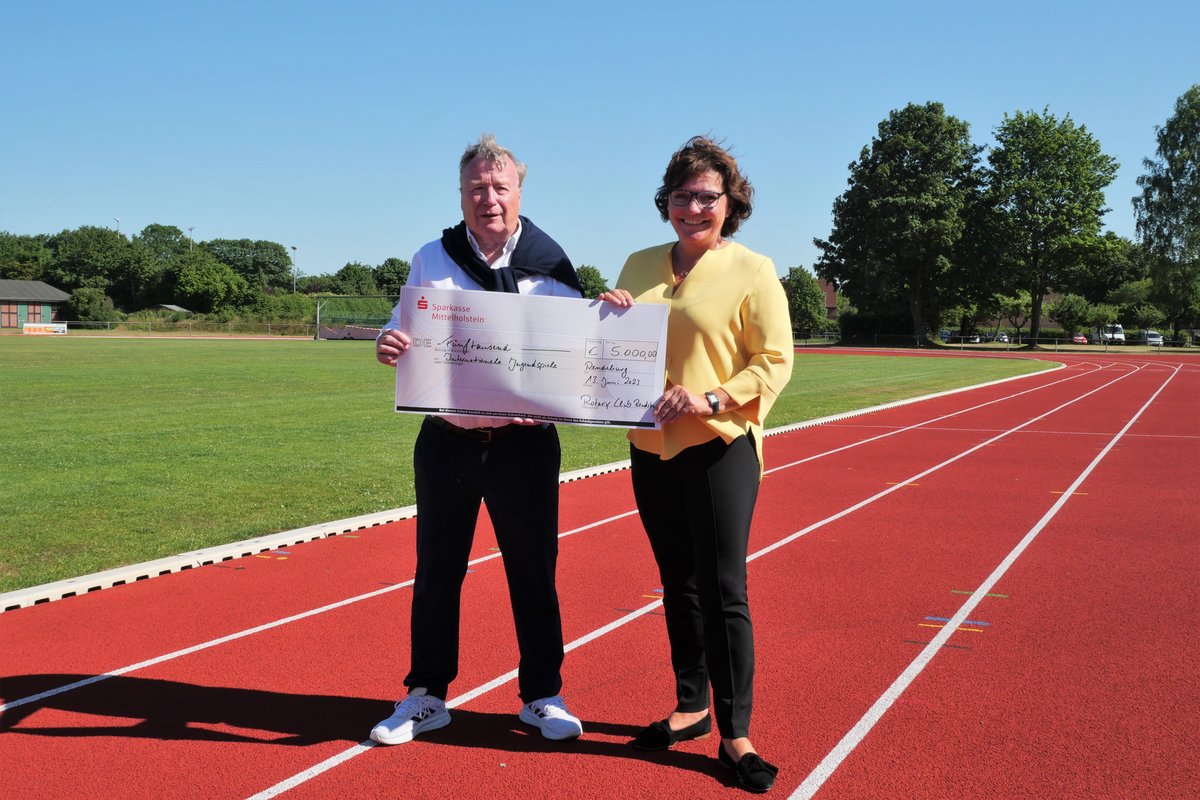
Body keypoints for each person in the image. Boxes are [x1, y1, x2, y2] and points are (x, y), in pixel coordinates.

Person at [370, 134, 585, 746]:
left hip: (524, 446)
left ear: (519, 191)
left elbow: (575, 350)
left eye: (499, 187)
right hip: (448, 440)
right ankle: (426, 695)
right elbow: (402, 325)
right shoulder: (430, 257)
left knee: (533, 571)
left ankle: (542, 695)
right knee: (437, 571)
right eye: (476, 188)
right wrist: (389, 340)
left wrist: (614, 316)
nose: (488, 198)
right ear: (461, 194)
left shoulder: (552, 263)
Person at [599, 136, 793, 793]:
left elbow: (774, 361)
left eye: (707, 196)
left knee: (722, 588)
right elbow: (615, 348)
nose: (693, 208)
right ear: (667, 202)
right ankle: (691, 705)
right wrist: (608, 317)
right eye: (682, 196)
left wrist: (711, 398)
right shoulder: (638, 263)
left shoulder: (754, 270)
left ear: (730, 203)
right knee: (676, 582)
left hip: (718, 443)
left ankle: (736, 735)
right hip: (650, 445)